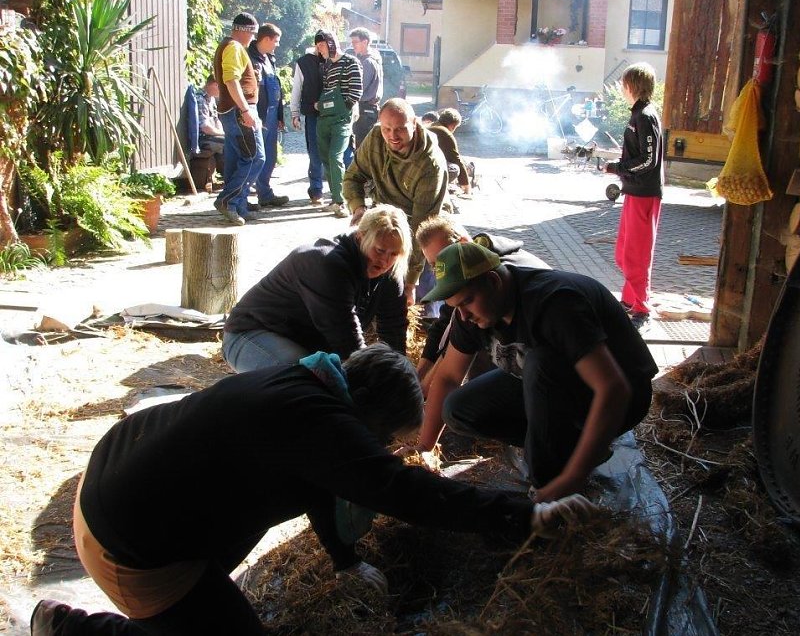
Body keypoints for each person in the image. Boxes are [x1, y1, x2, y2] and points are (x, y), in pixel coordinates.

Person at [29, 343, 597, 635]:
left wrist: (344, 559)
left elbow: (318, 478)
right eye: (386, 441)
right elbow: (404, 493)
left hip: (115, 478)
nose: (388, 451)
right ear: (369, 422)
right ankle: (73, 627)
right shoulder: (317, 424)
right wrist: (524, 514)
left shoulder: (306, 384)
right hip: (128, 545)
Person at [417, 242, 658, 503]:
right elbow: (449, 377)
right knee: (458, 408)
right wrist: (423, 449)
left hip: (623, 395)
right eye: (456, 306)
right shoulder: (471, 312)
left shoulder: (554, 303)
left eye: (466, 302)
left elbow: (614, 389)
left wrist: (573, 477)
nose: (463, 316)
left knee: (541, 364)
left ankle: (550, 493)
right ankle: (569, 448)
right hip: (556, 382)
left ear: (494, 281)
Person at [222, 205, 410, 372]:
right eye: (379, 250)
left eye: (394, 254)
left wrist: (401, 376)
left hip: (310, 346)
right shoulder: (327, 263)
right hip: (252, 334)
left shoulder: (390, 272)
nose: (385, 261)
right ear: (360, 237)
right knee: (302, 380)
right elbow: (347, 342)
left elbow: (394, 330)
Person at [414, 215, 549, 395]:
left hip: (542, 363)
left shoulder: (485, 273)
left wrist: (425, 388)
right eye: (434, 265)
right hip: (521, 362)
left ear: (462, 243)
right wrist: (417, 379)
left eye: (443, 258)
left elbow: (455, 343)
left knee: (474, 350)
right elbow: (443, 325)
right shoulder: (461, 277)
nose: (441, 271)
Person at [343, 98, 450, 306]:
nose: (392, 136)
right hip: (385, 217)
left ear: (415, 124)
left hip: (424, 222)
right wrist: (358, 209)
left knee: (420, 296)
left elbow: (423, 228)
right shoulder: (375, 137)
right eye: (387, 129)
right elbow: (352, 177)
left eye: (400, 129)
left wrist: (410, 282)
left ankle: (429, 316)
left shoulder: (431, 164)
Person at [604, 62, 665, 330]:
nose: (620, 88)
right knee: (624, 253)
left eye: (623, 83)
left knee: (636, 256)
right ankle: (630, 300)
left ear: (633, 85)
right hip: (633, 191)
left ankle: (642, 309)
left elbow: (649, 160)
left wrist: (617, 168)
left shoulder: (646, 115)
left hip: (645, 193)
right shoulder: (637, 114)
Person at [213, 12, 265, 226]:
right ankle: (228, 200)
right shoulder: (234, 47)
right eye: (252, 33)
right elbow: (231, 80)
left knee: (240, 159)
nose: (253, 38)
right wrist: (245, 110)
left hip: (233, 110)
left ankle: (239, 204)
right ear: (243, 30)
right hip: (238, 112)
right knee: (255, 158)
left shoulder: (229, 46)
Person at [315, 30, 362, 218]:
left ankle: (342, 201)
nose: (320, 49)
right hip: (325, 119)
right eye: (317, 46)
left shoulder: (351, 62)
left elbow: (356, 91)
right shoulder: (326, 66)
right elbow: (327, 90)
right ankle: (335, 199)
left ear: (331, 43)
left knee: (336, 157)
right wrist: (321, 105)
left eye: (322, 45)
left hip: (341, 119)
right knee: (326, 158)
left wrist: (344, 109)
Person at [248, 23, 290, 208]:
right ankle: (242, 197)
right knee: (255, 157)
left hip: (272, 116)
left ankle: (265, 193)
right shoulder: (249, 57)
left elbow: (277, 89)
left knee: (270, 156)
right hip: (259, 114)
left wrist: (280, 116)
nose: (278, 45)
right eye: (276, 41)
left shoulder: (269, 59)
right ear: (266, 39)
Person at [343, 27, 383, 168]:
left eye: (356, 42)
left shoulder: (367, 63)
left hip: (364, 110)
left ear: (365, 42)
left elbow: (358, 88)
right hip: (367, 110)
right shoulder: (373, 59)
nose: (353, 45)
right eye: (352, 42)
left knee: (362, 149)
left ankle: (362, 181)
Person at [290, 44, 325, 205]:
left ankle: (337, 191)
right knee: (315, 153)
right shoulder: (304, 62)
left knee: (336, 155)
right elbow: (296, 89)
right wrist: (294, 113)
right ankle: (316, 188)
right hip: (312, 114)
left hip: (335, 115)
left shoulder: (338, 61)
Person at [427, 108, 471, 194]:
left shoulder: (432, 125)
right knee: (454, 169)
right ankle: (435, 188)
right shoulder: (444, 132)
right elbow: (456, 159)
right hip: (426, 169)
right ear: (453, 125)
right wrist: (466, 186)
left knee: (462, 161)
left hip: (423, 163)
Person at [198, 75, 225, 171]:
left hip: (212, 136)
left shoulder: (212, 99)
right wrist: (223, 134)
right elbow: (205, 128)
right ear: (214, 85)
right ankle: (230, 178)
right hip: (203, 138)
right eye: (221, 87)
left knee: (234, 140)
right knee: (230, 144)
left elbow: (216, 119)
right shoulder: (200, 99)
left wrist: (223, 132)